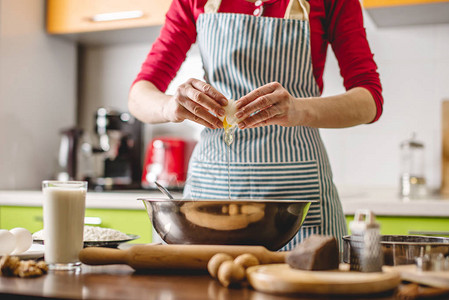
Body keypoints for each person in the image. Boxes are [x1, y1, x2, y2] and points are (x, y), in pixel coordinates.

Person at [128, 0, 383, 251]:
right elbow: (138, 95)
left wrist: (299, 110)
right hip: (211, 200)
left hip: (298, 205)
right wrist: (169, 106)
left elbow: (369, 98)